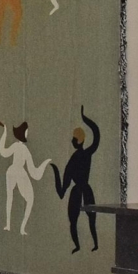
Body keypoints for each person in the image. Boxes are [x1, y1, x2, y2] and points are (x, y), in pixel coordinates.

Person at [52, 108, 102, 253]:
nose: (72, 141)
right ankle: (85, 245)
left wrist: (56, 172)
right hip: (83, 190)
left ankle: (88, 245)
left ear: (78, 141)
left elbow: (62, 191)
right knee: (81, 220)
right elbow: (96, 136)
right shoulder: (84, 155)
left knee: (85, 219)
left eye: (73, 139)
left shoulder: (74, 161)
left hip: (81, 190)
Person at [0, 120, 52, 235]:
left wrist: (4, 134)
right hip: (18, 173)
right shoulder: (25, 150)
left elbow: (4, 152)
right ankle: (19, 228)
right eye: (26, 131)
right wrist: (44, 164)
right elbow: (34, 172)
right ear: (24, 133)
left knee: (10, 197)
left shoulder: (17, 147)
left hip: (12, 171)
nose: (27, 133)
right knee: (28, 199)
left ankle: (10, 225)